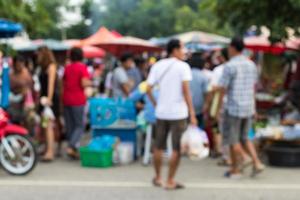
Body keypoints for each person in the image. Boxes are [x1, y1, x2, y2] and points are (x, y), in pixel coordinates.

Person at [147, 39, 197, 190]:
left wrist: (156, 104)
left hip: (161, 113)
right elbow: (186, 92)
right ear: (175, 50)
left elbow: (148, 88)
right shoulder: (183, 67)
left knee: (158, 146)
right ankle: (170, 181)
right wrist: (192, 113)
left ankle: (157, 177)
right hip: (178, 113)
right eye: (183, 48)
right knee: (176, 148)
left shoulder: (158, 65)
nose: (185, 51)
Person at [218, 37, 265, 178]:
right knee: (245, 138)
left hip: (234, 107)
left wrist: (219, 107)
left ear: (232, 47)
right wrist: (254, 108)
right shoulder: (251, 65)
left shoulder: (230, 65)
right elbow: (253, 87)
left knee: (233, 139)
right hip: (248, 106)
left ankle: (238, 167)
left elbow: (222, 89)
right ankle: (257, 163)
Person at [63, 47, 91, 159]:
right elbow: (84, 83)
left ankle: (73, 150)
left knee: (70, 126)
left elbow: (64, 82)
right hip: (78, 100)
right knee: (80, 125)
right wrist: (91, 83)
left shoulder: (67, 68)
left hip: (66, 99)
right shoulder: (82, 67)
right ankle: (71, 147)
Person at [37, 46, 61, 162]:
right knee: (44, 125)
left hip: (49, 101)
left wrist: (49, 100)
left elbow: (51, 84)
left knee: (48, 126)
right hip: (44, 99)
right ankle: (47, 148)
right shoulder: (43, 67)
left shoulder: (51, 66)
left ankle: (50, 151)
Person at [9, 55, 33, 124]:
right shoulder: (11, 74)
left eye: (21, 64)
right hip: (13, 104)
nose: (19, 66)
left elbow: (30, 88)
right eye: (17, 65)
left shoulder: (26, 74)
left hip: (24, 104)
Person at [188, 53, 209, 128]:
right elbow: (206, 92)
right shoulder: (203, 76)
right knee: (199, 128)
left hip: (186, 107)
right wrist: (206, 105)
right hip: (199, 107)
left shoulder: (187, 73)